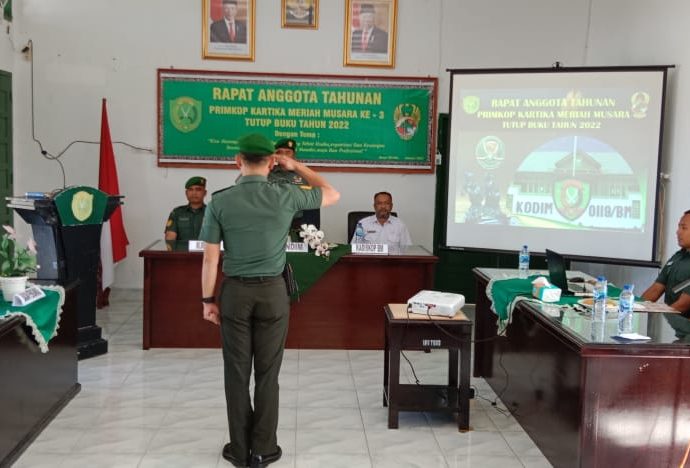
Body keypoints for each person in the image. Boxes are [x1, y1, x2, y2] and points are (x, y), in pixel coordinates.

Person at [199, 133, 340, 468]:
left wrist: (207, 300)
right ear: (272, 161)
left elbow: (210, 258)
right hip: (273, 294)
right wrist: (296, 166)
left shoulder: (220, 201)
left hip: (234, 293)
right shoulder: (286, 195)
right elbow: (332, 193)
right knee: (267, 373)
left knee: (236, 373)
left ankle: (240, 449)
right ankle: (263, 449)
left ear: (238, 161)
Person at [641, 210, 690, 342]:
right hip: (672, 328)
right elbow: (655, 289)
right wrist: (635, 309)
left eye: (684, 228)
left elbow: (684, 304)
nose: (678, 232)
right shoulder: (678, 256)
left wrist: (660, 321)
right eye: (679, 227)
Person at [164, 176, 207, 241]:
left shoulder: (212, 213)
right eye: (190, 190)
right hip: (182, 248)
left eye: (198, 189)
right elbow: (170, 238)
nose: (194, 193)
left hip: (206, 248)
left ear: (205, 193)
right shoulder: (177, 213)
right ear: (186, 193)